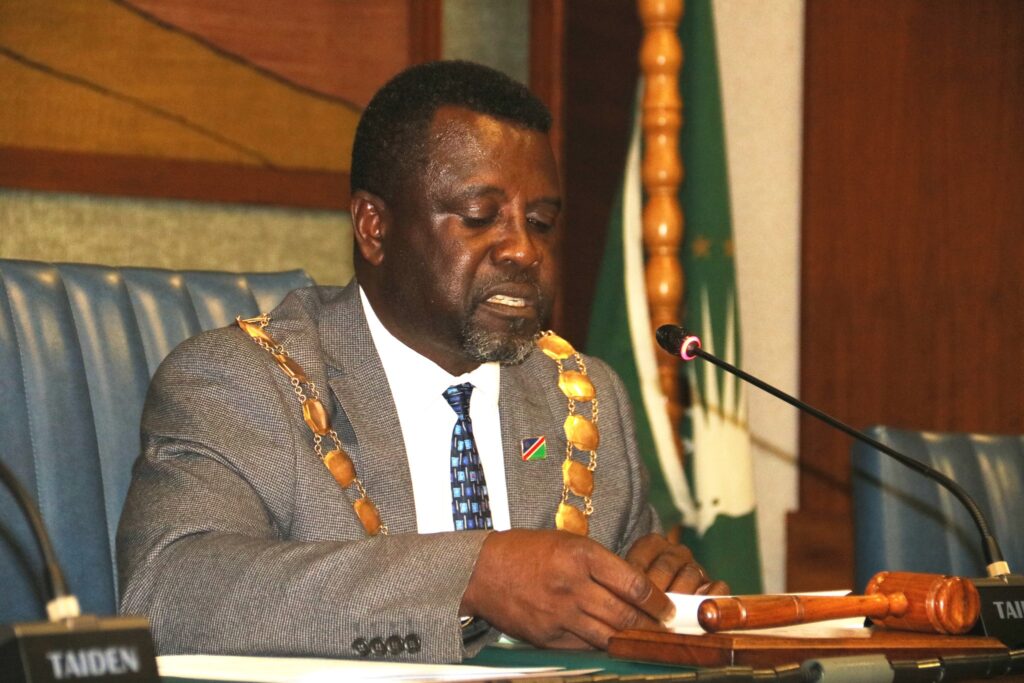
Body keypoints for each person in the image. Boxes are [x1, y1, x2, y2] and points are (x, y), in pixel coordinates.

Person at [117, 60, 726, 664]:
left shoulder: (584, 394)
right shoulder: (244, 382)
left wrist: (658, 591)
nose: (524, 250)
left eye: (541, 223)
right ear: (374, 228)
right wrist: (471, 575)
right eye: (480, 216)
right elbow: (169, 595)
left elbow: (629, 590)